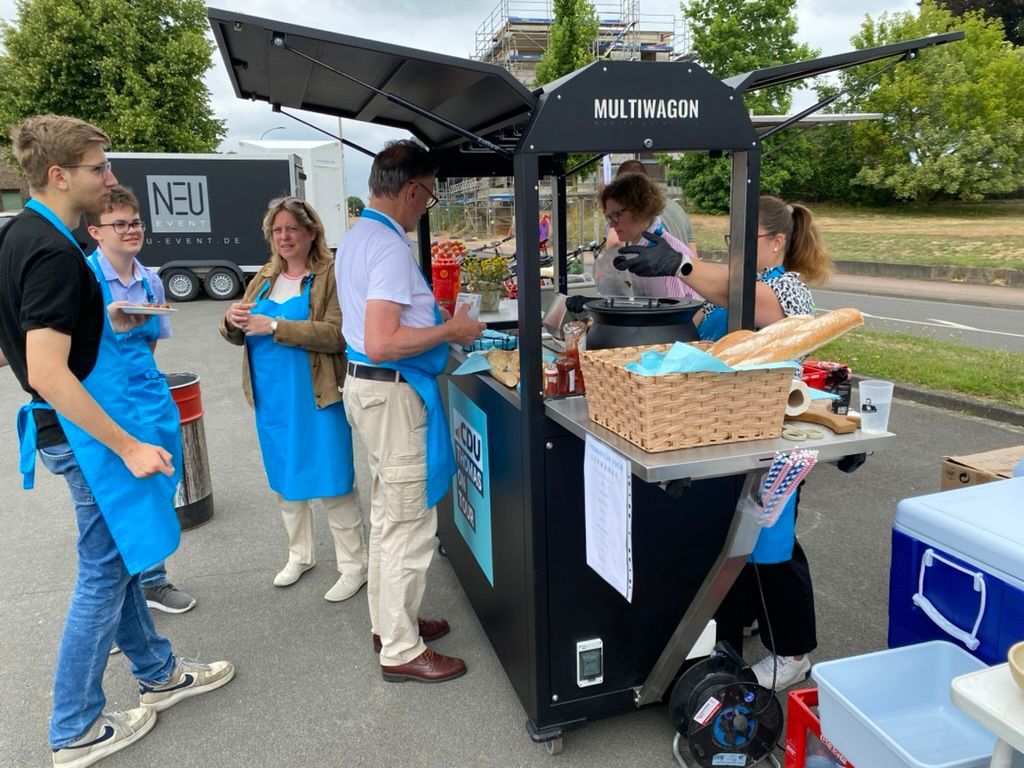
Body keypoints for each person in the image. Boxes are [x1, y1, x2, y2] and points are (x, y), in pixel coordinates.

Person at [0, 114, 233, 768]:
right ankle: (74, 726)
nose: (111, 177)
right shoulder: (49, 250)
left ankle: (157, 672)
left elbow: (18, 347)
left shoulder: (23, 236)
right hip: (83, 440)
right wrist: (127, 446)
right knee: (104, 571)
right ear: (59, 174)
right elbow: (47, 370)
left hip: (66, 433)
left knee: (122, 559)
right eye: (99, 166)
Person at [615, 195, 833, 690]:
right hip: (723, 431)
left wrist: (683, 262)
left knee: (771, 546)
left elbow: (744, 295)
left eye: (746, 241)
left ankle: (792, 650)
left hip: (774, 434)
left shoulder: (786, 290)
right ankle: (736, 629)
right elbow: (699, 330)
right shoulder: (731, 290)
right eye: (732, 241)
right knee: (732, 539)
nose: (735, 252)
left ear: (778, 243)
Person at [336, 139, 484, 683]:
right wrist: (451, 329)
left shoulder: (360, 236)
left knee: (388, 516)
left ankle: (389, 622)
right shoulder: (391, 247)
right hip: (392, 389)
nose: (429, 205)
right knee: (407, 522)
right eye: (430, 195)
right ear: (415, 189)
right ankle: (400, 649)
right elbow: (382, 341)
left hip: (372, 391)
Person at [220, 196, 367, 602]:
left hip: (317, 396)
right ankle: (300, 555)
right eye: (277, 230)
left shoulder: (330, 275)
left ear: (311, 231)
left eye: (292, 229)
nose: (284, 237)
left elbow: (337, 335)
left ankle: (354, 565)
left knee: (334, 480)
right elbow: (239, 327)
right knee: (285, 482)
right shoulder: (265, 276)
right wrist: (231, 322)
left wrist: (276, 325)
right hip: (273, 397)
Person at [84, 185, 196, 615]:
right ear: (96, 231)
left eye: (135, 222)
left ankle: (153, 580)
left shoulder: (150, 280)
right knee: (117, 498)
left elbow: (150, 347)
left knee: (158, 488)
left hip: (152, 397)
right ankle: (118, 601)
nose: (131, 230)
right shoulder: (87, 279)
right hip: (109, 401)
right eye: (120, 224)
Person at [566, 172, 701, 313]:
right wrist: (598, 305)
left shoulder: (665, 252)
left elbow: (676, 312)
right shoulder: (636, 244)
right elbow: (637, 302)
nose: (612, 224)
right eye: (609, 217)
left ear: (640, 209)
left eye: (617, 215)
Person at [610, 159, 697, 257]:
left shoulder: (625, 210)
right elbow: (694, 257)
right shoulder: (678, 208)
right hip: (684, 269)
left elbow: (614, 243)